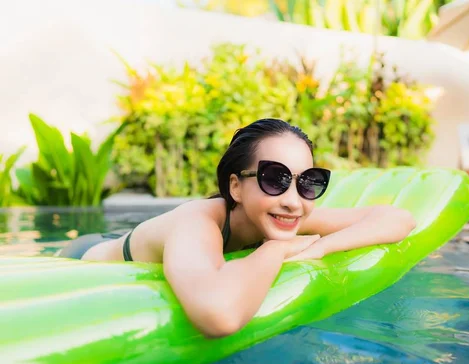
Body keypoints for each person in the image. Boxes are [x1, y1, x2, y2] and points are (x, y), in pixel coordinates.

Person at [59, 118, 416, 337]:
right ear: (235, 187)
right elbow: (219, 314)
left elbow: (398, 218)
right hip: (87, 257)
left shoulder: (285, 213)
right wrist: (274, 250)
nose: (293, 200)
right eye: (274, 178)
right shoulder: (197, 222)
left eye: (308, 181)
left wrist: (319, 247)